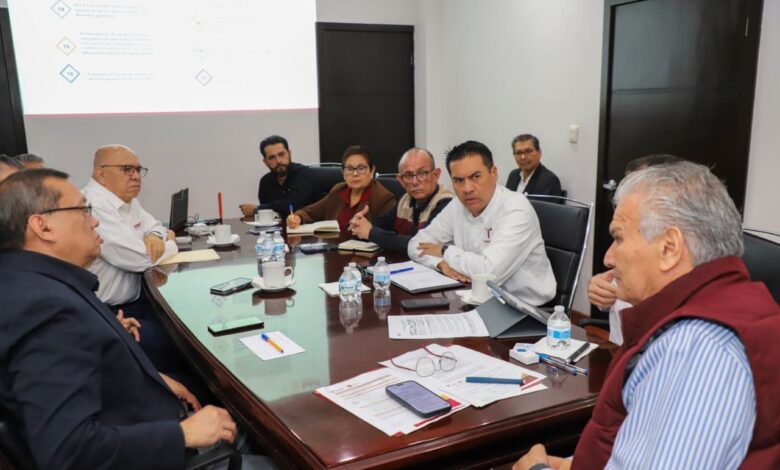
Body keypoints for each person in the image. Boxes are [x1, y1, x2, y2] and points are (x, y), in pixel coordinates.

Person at [514, 161, 780, 470]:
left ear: (669, 248)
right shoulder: (726, 308)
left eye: (619, 238)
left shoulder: (695, 348)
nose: (608, 257)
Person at [0, 169, 238, 469]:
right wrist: (182, 434)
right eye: (83, 210)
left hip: (140, 421)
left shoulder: (27, 282)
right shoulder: (47, 309)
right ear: (42, 226)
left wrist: (153, 379)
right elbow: (69, 452)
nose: (94, 221)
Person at [408, 140, 555, 306]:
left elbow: (488, 273)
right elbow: (415, 244)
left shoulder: (516, 209)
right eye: (458, 180)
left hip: (523, 308)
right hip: (474, 297)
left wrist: (444, 250)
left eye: (476, 177)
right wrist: (440, 264)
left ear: (493, 173)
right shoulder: (457, 205)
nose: (467, 188)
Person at [81, 145, 184, 374]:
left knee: (186, 320)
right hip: (109, 313)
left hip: (136, 299)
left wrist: (155, 235)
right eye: (127, 169)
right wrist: (170, 241)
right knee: (181, 345)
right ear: (100, 174)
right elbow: (140, 259)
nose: (136, 176)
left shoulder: (126, 200)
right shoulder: (93, 206)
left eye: (138, 169)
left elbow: (154, 226)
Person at [588, 154, 684, 345]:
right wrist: (602, 290)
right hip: (620, 351)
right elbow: (618, 295)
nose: (608, 259)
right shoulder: (631, 226)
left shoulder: (678, 243)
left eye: (636, 187)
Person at [347, 147, 453, 252]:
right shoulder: (405, 200)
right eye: (408, 175)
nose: (415, 182)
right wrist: (359, 225)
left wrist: (371, 233)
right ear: (401, 180)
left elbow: (421, 245)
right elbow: (379, 227)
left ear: (436, 175)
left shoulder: (447, 203)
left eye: (422, 173)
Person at [287, 145, 396, 235]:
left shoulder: (383, 198)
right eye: (349, 169)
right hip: (332, 250)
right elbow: (311, 212)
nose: (355, 174)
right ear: (343, 173)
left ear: (372, 171)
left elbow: (386, 235)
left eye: (361, 168)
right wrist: (297, 217)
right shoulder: (339, 190)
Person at [239, 135, 319, 217]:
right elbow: (267, 216)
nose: (278, 161)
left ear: (289, 154)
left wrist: (257, 209)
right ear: (265, 162)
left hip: (305, 224)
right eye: (271, 157)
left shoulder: (303, 173)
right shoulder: (265, 181)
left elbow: (293, 206)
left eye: (281, 154)